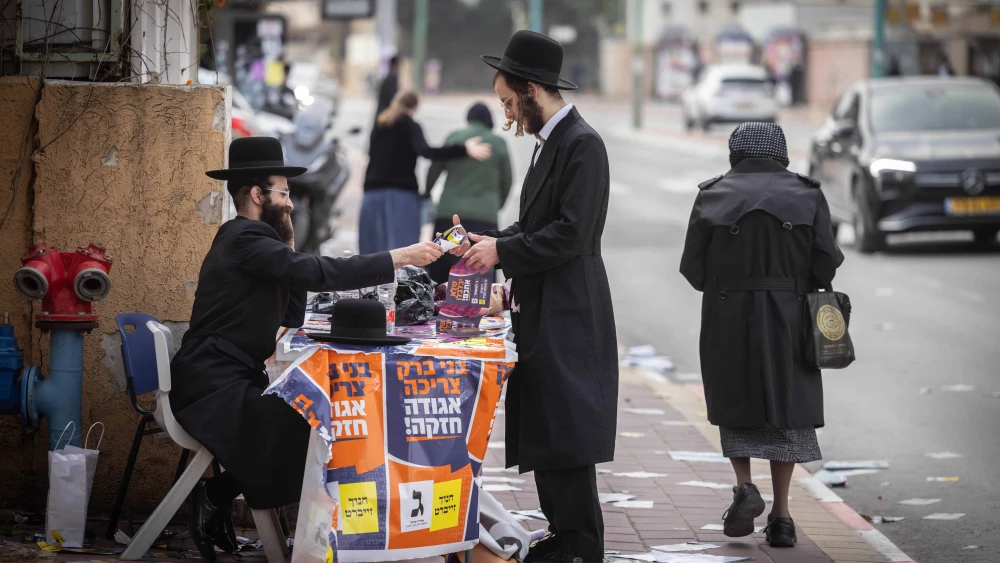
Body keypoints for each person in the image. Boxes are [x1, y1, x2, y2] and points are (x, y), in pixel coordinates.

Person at [170, 137, 444, 561]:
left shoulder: (259, 241)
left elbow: (293, 311)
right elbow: (318, 272)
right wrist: (399, 256)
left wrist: (288, 244)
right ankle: (224, 498)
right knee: (312, 426)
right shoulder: (244, 239)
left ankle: (220, 494)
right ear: (258, 195)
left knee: (314, 421)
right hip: (210, 383)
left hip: (229, 376)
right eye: (284, 193)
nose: (292, 204)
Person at [450, 30, 619, 563]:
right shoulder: (553, 141)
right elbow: (533, 224)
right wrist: (493, 243)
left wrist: (503, 252)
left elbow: (572, 233)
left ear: (530, 89)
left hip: (571, 306)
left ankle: (580, 544)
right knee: (549, 421)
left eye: (507, 101)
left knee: (566, 428)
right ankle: (565, 535)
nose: (507, 114)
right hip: (545, 302)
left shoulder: (582, 144)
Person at [679, 122, 844, 548]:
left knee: (735, 404)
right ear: (782, 153)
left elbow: (692, 270)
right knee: (785, 414)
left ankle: (743, 487)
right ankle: (783, 516)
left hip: (727, 315)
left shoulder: (712, 194)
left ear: (735, 153)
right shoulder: (807, 194)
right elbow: (826, 265)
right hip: (790, 317)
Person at [360, 91, 492, 254]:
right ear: (414, 107)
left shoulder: (379, 125)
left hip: (371, 196)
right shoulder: (410, 125)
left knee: (371, 258)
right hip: (400, 196)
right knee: (403, 254)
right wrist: (463, 149)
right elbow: (427, 152)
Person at [424, 102, 513, 283]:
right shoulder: (499, 143)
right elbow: (507, 180)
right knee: (480, 273)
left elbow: (434, 169)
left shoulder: (455, 137)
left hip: (449, 215)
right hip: (484, 217)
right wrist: (496, 204)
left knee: (439, 270)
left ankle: (433, 309)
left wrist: (426, 192)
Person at [375, 55, 400, 121]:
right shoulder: (393, 78)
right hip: (385, 114)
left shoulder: (387, 76)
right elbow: (393, 97)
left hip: (381, 112)